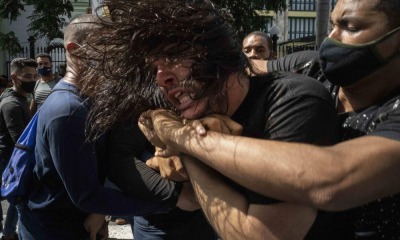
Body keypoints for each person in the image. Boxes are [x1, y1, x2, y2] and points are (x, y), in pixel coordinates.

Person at [140, 0, 400, 238]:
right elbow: (229, 71)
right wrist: (162, 114)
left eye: (351, 27)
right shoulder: (310, 68)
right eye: (332, 25)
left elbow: (327, 179)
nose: (331, 39)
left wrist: (183, 140)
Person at [86, 0, 341, 239]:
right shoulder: (194, 107)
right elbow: (143, 127)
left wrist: (185, 146)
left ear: (214, 49)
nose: (162, 78)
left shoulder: (292, 100)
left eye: (173, 55)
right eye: (155, 68)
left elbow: (264, 234)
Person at [17, 14, 170, 240]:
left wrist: (98, 214)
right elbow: (86, 196)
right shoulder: (68, 111)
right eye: (105, 47)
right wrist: (169, 203)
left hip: (76, 223)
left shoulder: (87, 99)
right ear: (75, 50)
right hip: (52, 229)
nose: (114, 57)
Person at [0, 58, 37, 240]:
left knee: (15, 199)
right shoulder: (11, 104)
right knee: (16, 198)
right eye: (27, 76)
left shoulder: (21, 98)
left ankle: (8, 233)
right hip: (9, 159)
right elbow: (20, 141)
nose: (32, 80)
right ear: (14, 77)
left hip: (13, 158)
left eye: (34, 76)